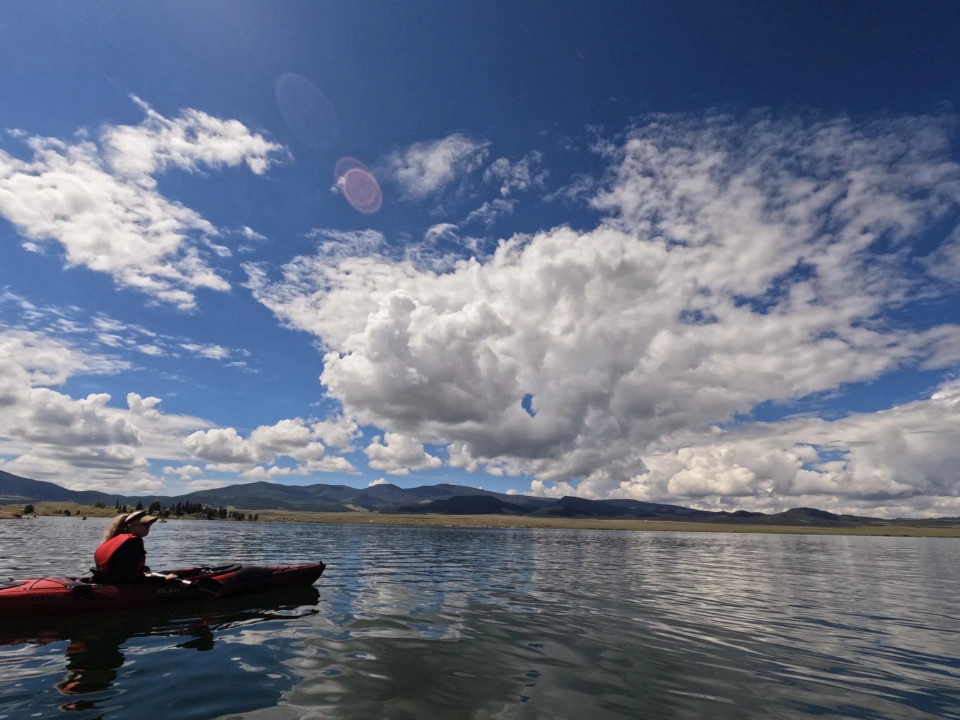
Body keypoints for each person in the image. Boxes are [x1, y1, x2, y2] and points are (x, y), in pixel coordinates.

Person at [93, 510, 162, 583]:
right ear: (130, 526)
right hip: (121, 586)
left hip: (106, 581)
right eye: (144, 524)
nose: (148, 527)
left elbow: (123, 567)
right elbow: (130, 578)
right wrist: (163, 579)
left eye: (149, 524)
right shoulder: (133, 542)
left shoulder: (113, 540)